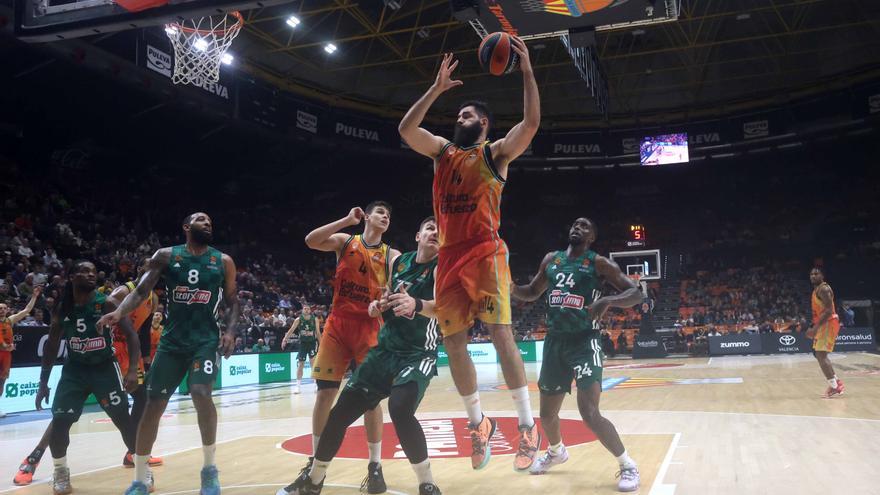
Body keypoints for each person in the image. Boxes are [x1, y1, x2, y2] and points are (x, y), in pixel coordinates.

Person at [398, 42, 541, 471]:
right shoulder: (441, 151)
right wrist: (436, 90)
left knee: (501, 336)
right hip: (449, 257)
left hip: (485, 252)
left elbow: (531, 123)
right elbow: (406, 129)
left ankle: (527, 426)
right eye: (457, 114)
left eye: (467, 114)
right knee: (453, 343)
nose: (459, 118)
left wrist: (528, 72)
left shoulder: (494, 153)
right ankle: (480, 424)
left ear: (484, 123)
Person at [278, 217, 442, 495]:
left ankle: (427, 483)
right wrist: (380, 305)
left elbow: (446, 308)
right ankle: (314, 480)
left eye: (440, 231)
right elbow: (391, 296)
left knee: (400, 409)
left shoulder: (443, 268)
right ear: (418, 235)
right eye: (430, 227)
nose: (436, 232)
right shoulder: (401, 263)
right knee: (339, 414)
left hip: (417, 354)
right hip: (385, 351)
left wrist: (416, 304)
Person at [99, 212, 240, 495]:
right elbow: (140, 292)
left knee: (201, 393)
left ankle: (209, 470)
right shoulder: (165, 256)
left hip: (205, 340)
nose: (208, 224)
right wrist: (119, 311)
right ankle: (141, 478)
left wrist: (230, 332)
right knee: (154, 405)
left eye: (211, 221)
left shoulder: (223, 261)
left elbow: (233, 301)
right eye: (202, 220)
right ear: (187, 227)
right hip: (172, 342)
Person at [511, 218, 642, 491]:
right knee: (547, 415)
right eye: (574, 224)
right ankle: (557, 451)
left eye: (584, 226)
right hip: (555, 342)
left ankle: (627, 464)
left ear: (592, 236)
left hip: (585, 341)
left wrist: (607, 301)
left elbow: (636, 293)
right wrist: (511, 289)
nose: (577, 228)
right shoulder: (552, 260)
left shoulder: (599, 263)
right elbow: (532, 292)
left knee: (590, 413)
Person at [300, 202, 400, 493]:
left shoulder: (391, 254)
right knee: (325, 393)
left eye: (389, 215)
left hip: (371, 327)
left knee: (371, 400)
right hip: (338, 324)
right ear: (367, 216)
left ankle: (375, 465)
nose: (386, 217)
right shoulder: (346, 242)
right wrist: (346, 220)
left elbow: (396, 286)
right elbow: (311, 240)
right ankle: (315, 461)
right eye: (381, 212)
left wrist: (385, 301)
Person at [34, 261, 140, 495]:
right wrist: (43, 382)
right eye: (83, 271)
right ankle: (61, 472)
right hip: (75, 370)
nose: (90, 275)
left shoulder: (107, 303)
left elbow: (132, 336)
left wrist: (132, 369)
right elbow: (52, 345)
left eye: (93, 272)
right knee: (60, 422)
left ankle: (142, 472)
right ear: (71, 277)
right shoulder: (63, 307)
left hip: (104, 368)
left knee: (123, 419)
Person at [0, 286, 42, 418]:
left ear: (7, 310)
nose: (1, 310)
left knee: (1, 382)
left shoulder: (9, 320)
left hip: (6, 356)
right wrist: (5, 346)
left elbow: (27, 310)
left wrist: (34, 296)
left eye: (3, 308)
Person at [806, 267, 844, 398]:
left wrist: (815, 328)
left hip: (828, 323)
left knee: (821, 355)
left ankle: (835, 386)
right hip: (822, 323)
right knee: (817, 354)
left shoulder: (824, 289)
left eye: (816, 274)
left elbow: (828, 310)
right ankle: (836, 382)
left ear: (822, 275)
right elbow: (819, 311)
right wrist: (813, 326)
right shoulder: (816, 290)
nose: (813, 276)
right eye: (811, 274)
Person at [281, 305, 322, 394]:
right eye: (305, 309)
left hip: (312, 343)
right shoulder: (298, 319)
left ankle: (315, 384)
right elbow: (291, 330)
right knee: (300, 364)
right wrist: (285, 339)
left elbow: (318, 333)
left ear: (310, 310)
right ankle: (298, 386)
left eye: (308, 309)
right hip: (303, 344)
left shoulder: (315, 319)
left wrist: (321, 344)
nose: (306, 310)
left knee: (313, 364)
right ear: (302, 310)